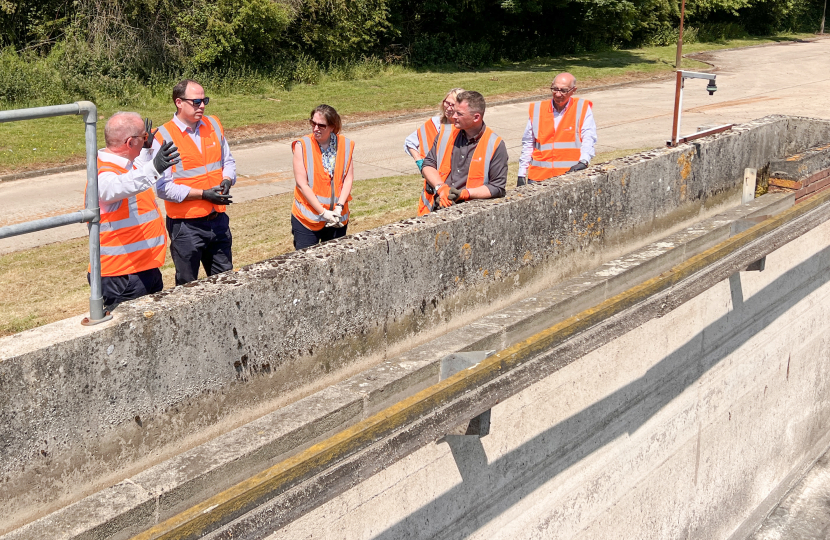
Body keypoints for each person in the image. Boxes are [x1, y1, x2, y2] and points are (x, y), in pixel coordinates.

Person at [91, 112, 180, 310]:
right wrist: (155, 167)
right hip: (122, 277)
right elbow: (119, 186)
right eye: (144, 137)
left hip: (139, 270)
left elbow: (136, 171)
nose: (148, 140)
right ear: (130, 142)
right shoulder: (104, 173)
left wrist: (147, 150)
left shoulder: (124, 164)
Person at [152, 79, 236, 286]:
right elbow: (163, 189)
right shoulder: (163, 136)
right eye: (196, 102)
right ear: (179, 103)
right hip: (186, 226)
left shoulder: (214, 124)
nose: (203, 106)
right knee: (188, 286)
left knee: (225, 282)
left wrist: (227, 179)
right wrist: (203, 194)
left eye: (204, 100)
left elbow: (228, 161)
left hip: (218, 220)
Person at [420, 90, 508, 213]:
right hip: (437, 209)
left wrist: (465, 194)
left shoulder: (495, 144)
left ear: (476, 117)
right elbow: (428, 164)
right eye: (454, 111)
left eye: (459, 114)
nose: (453, 116)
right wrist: (441, 187)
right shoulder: (445, 134)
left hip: (470, 214)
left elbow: (497, 187)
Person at [291, 104, 355, 250]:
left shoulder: (345, 145)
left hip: (337, 219)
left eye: (321, 125)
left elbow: (348, 179)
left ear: (332, 126)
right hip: (307, 219)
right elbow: (302, 184)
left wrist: (339, 207)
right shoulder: (302, 145)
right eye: (313, 123)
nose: (315, 129)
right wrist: (323, 212)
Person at [517, 72, 597, 186]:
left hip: (569, 177)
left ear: (573, 90)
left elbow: (589, 138)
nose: (558, 94)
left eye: (563, 90)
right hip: (539, 177)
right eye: (555, 89)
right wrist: (521, 174)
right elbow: (528, 143)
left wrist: (584, 161)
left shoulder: (582, 108)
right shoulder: (537, 109)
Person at [405, 88, 465, 215]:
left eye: (453, 105)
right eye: (446, 102)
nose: (448, 107)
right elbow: (410, 142)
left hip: (451, 187)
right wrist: (419, 161)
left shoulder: (463, 128)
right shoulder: (433, 124)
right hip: (431, 185)